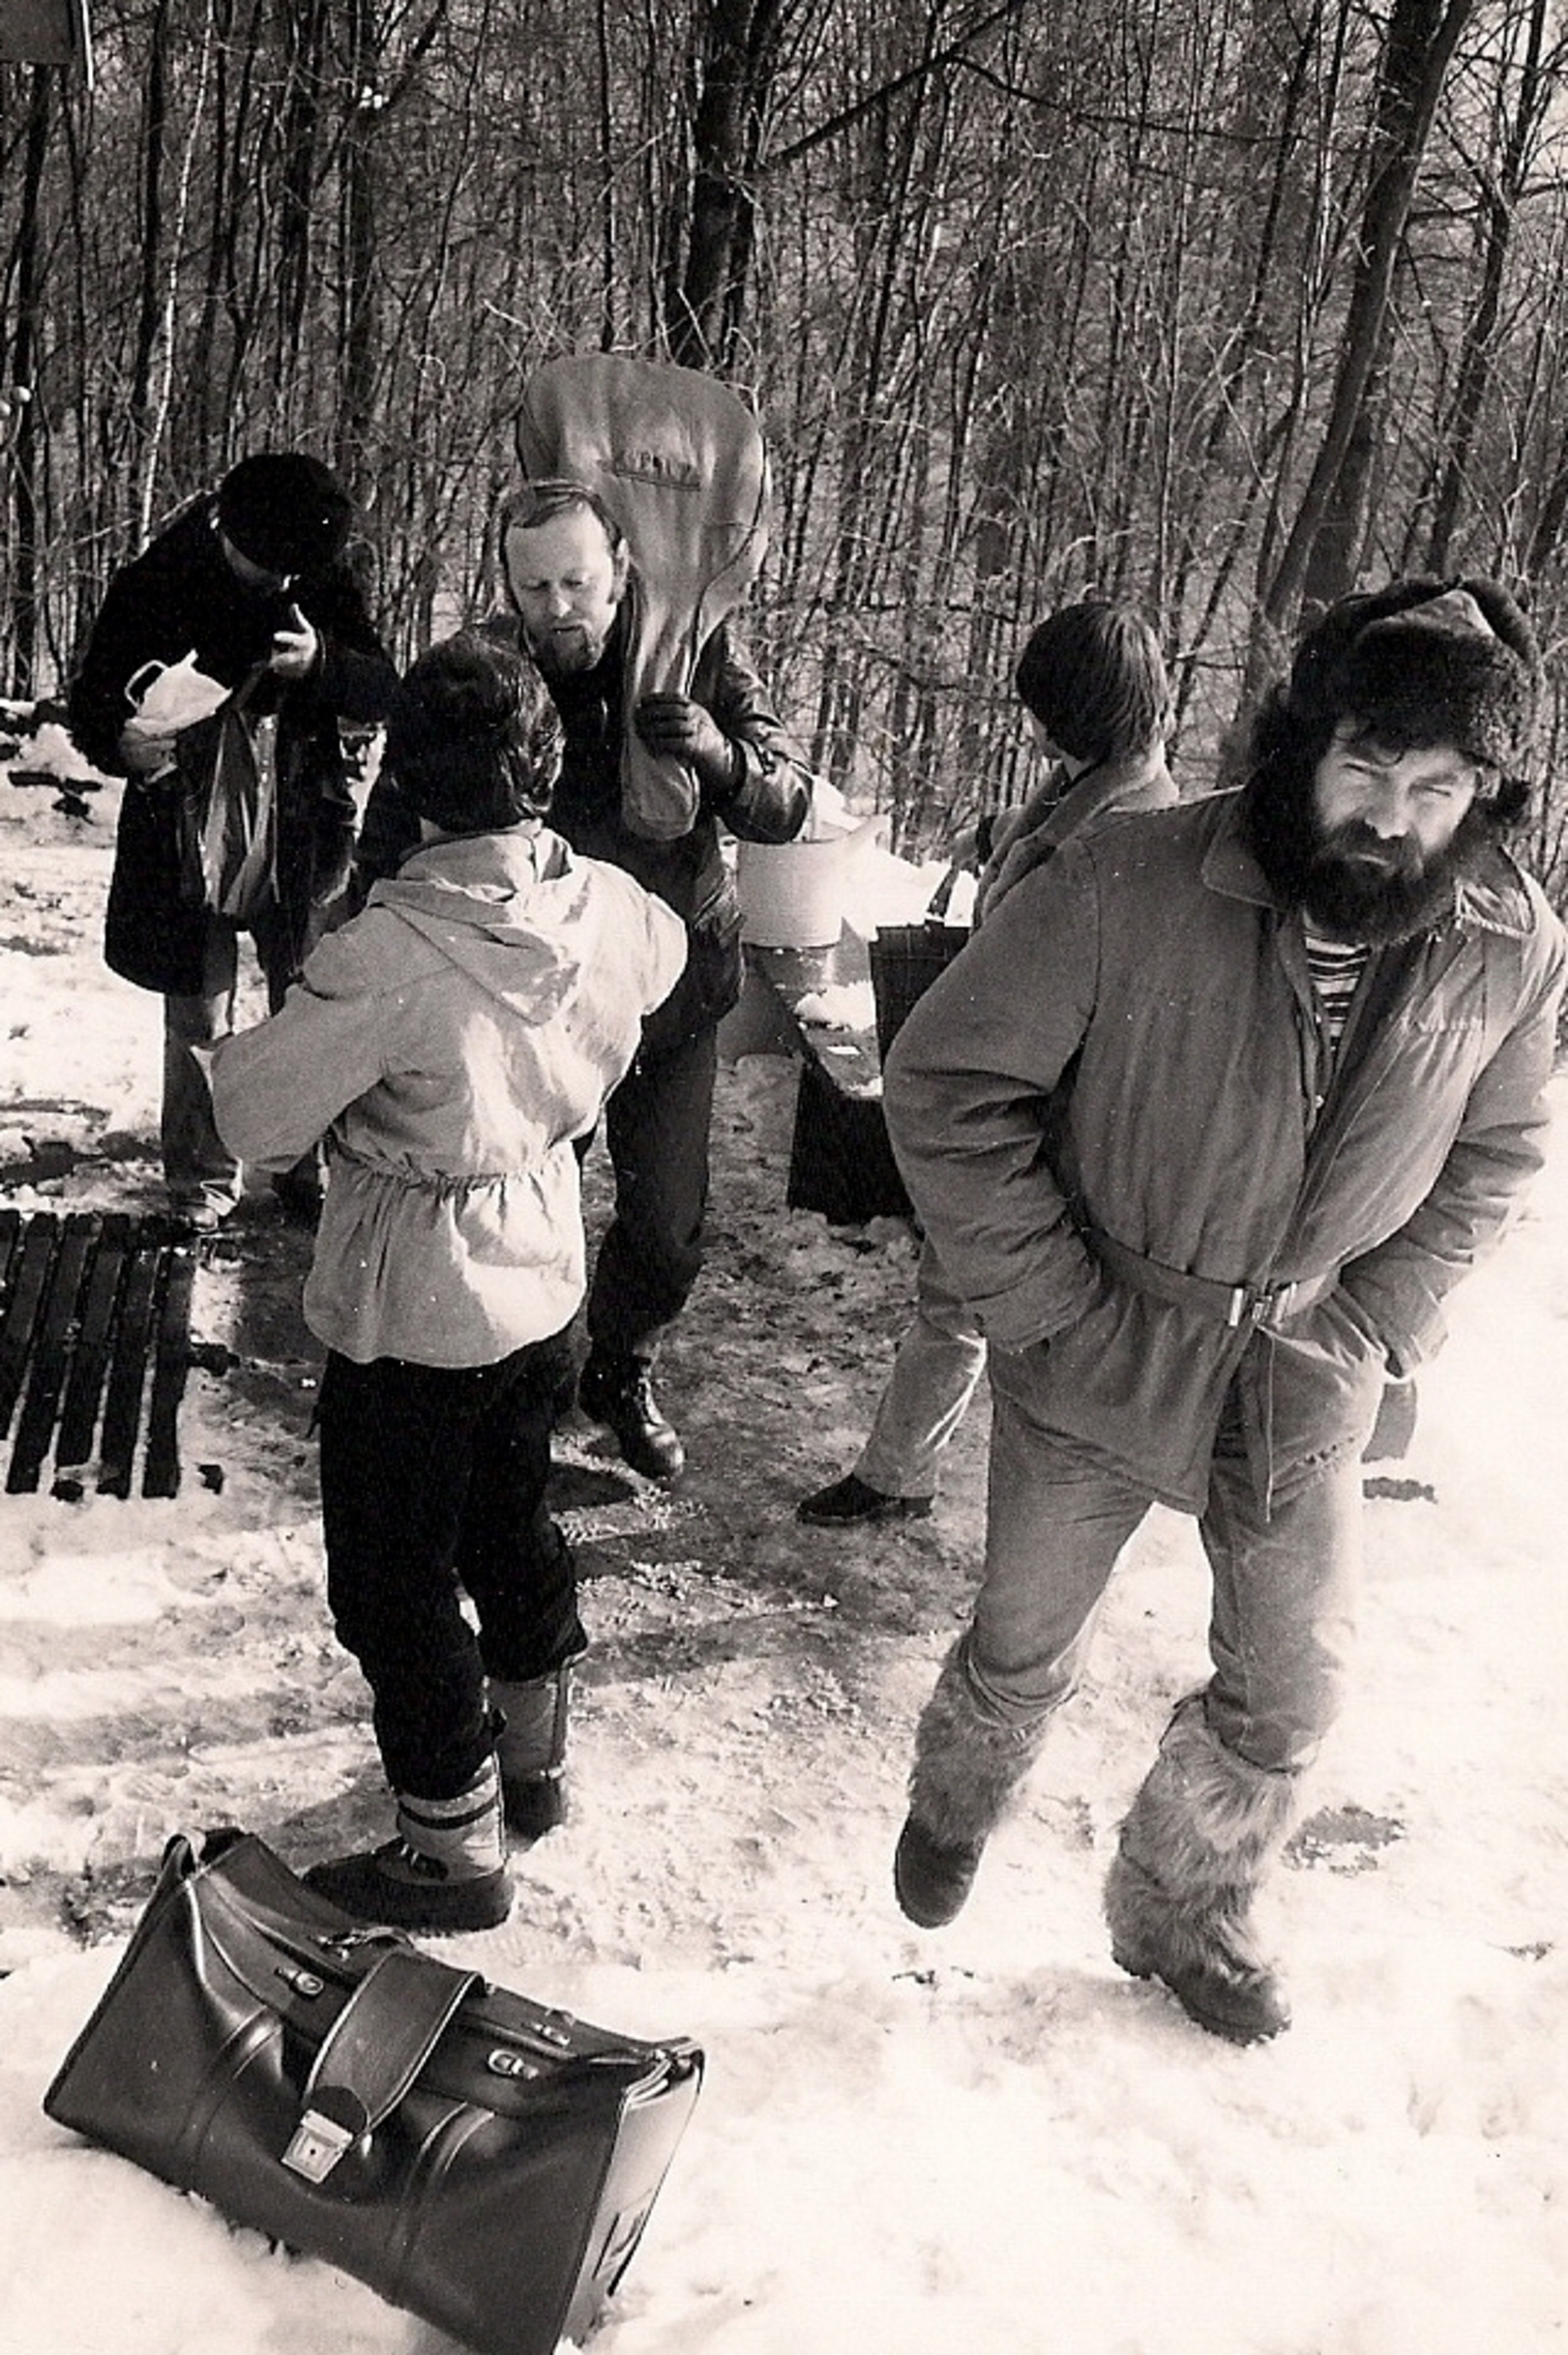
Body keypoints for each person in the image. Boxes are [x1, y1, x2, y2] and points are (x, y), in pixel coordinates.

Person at [881, 577, 1566, 2043]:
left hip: (1308, 1370)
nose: (1390, 819)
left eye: (1436, 790)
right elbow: (945, 1083)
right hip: (1101, 1339)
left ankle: (1186, 1910)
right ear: (1303, 748)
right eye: (1363, 770)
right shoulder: (1131, 878)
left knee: (1293, 1690)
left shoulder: (1508, 942)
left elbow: (1500, 1153)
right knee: (1020, 1640)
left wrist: (1376, 1323)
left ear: (1482, 798)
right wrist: (1042, 1301)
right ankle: (957, 1798)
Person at [210, 634, 687, 1932]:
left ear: (408, 784)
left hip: (415, 1305)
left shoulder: (388, 953)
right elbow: (669, 961)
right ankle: (534, 1763)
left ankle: (451, 1844)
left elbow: (254, 1119)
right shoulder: (605, 906)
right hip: (542, 1274)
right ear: (546, 771)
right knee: (509, 1518)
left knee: (391, 1580)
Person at [354, 477, 812, 1480]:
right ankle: (524, 1386)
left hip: (671, 995)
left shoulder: (692, 648)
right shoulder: (480, 671)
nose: (558, 606)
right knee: (514, 1216)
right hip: (532, 1006)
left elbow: (789, 802)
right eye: (534, 587)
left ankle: (621, 1366)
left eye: (576, 582)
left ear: (619, 571)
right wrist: (362, 947)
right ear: (507, 587)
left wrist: (720, 758)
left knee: (666, 1229)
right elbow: (394, 816)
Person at [799, 601, 1176, 1528]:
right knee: (959, 1292)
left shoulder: (1129, 838)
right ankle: (905, 1472)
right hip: (1013, 1084)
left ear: (1083, 717)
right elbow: (1046, 833)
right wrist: (1002, 833)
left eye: (1046, 713)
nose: (1033, 729)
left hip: (1051, 1106)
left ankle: (926, 1485)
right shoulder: (1094, 784)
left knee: (976, 1299)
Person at [69, 451, 396, 1228]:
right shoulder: (157, 580)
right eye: (263, 567)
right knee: (198, 1013)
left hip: (298, 823)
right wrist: (122, 745)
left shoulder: (320, 578)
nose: (278, 581)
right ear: (226, 532)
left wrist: (321, 663)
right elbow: (92, 707)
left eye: (290, 571)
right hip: (185, 831)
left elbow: (382, 686)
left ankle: (304, 1168)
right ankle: (199, 1185)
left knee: (308, 1002)